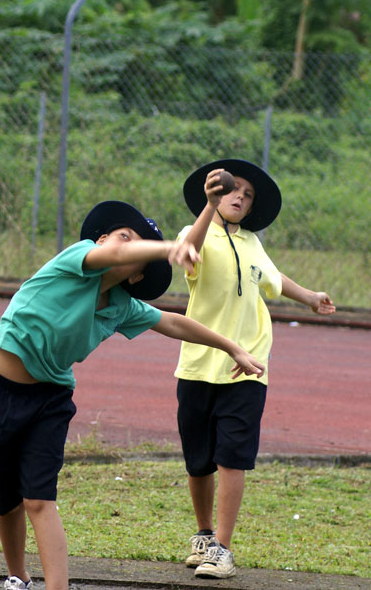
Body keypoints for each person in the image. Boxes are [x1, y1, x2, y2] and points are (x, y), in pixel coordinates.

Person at [0, 200, 266, 590]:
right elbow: (116, 252)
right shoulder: (76, 260)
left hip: (50, 400)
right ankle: (18, 577)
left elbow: (175, 323)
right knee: (2, 499)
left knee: (39, 498)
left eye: (138, 245)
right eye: (123, 236)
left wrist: (233, 347)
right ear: (102, 241)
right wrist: (167, 248)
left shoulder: (123, 307)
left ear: (137, 276)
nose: (128, 245)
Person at [176, 159, 336, 580]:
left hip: (247, 366)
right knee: (198, 460)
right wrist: (207, 208)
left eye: (247, 196)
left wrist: (310, 297)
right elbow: (185, 253)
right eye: (232, 189)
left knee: (232, 456)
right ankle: (204, 535)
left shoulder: (252, 243)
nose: (239, 197)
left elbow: (274, 279)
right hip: (197, 365)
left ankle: (223, 549)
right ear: (214, 191)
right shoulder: (196, 233)